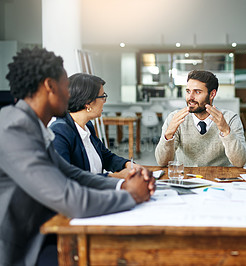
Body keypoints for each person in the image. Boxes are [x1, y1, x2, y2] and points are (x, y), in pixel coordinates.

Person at [0, 47, 155, 266]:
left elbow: (72, 173)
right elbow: (71, 199)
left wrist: (123, 186)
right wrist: (131, 196)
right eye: (66, 86)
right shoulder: (15, 129)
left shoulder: (31, 125)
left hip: (44, 233)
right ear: (50, 86)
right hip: (24, 248)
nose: (70, 94)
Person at [50, 73, 139, 178]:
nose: (104, 102)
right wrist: (114, 177)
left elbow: (106, 157)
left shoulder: (87, 126)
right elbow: (66, 179)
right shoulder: (59, 132)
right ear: (88, 102)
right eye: (103, 97)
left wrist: (128, 165)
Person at [155, 70, 246, 167]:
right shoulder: (175, 118)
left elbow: (240, 162)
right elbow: (162, 162)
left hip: (219, 179)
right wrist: (169, 134)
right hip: (187, 178)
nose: (190, 97)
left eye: (197, 92)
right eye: (188, 91)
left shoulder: (230, 119)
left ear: (212, 94)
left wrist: (226, 131)